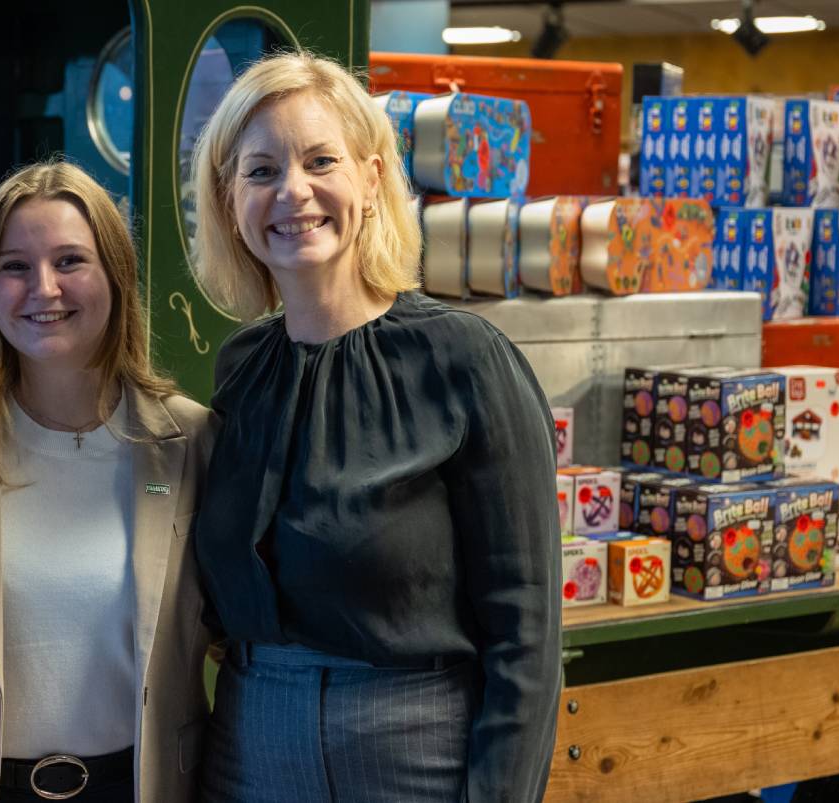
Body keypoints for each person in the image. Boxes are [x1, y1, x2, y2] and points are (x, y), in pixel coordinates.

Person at [187, 51, 561, 802]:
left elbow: (527, 637)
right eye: (261, 171)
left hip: (412, 751)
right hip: (248, 742)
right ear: (231, 202)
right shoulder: (240, 369)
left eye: (320, 160)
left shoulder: (465, 360)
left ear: (372, 174)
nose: (293, 191)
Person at [0, 161, 213, 803]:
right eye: (14, 267)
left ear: (116, 276)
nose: (43, 288)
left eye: (70, 260)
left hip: (143, 785)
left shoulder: (190, 444)